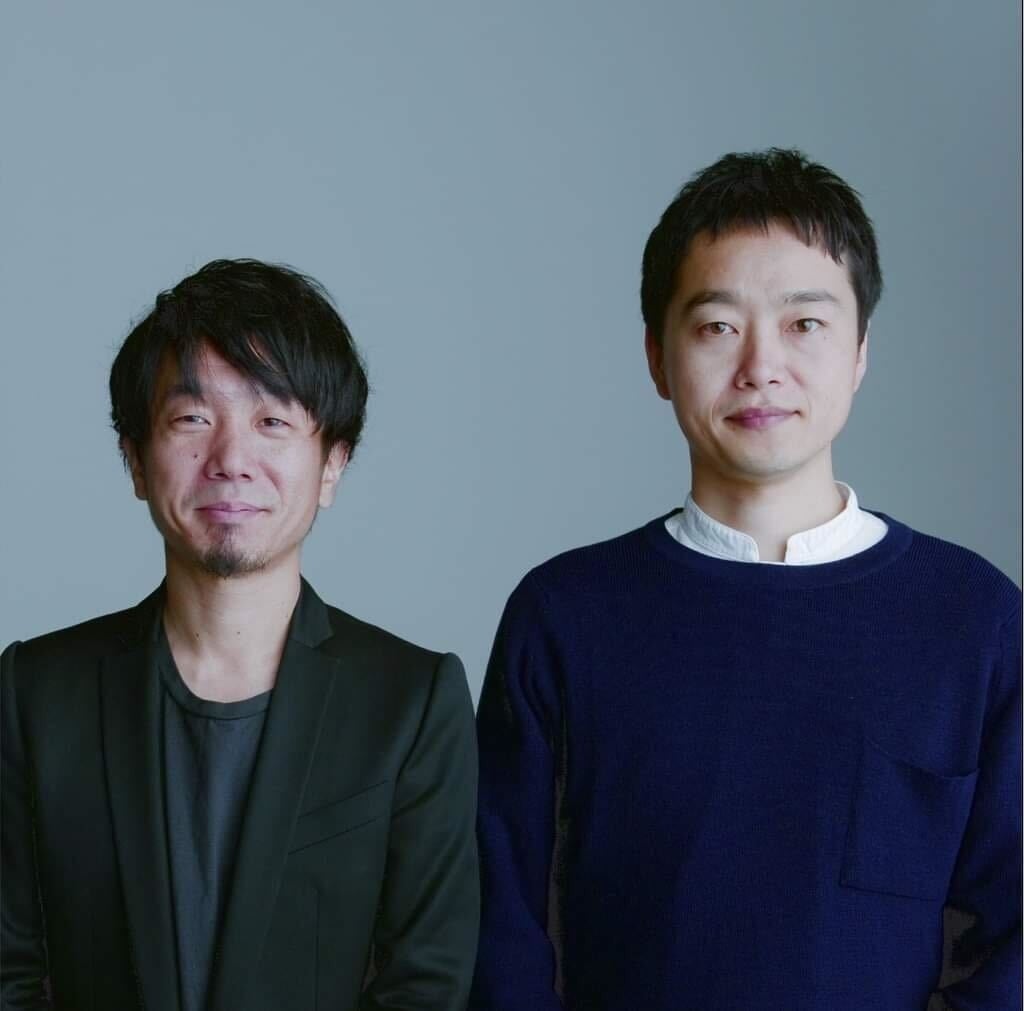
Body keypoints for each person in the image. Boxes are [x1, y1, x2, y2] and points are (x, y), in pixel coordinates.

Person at [471, 149, 1021, 1009]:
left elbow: (1012, 941)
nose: (762, 366)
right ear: (657, 357)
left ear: (861, 352)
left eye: (805, 323)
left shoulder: (974, 617)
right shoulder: (565, 614)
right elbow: (504, 928)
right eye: (718, 326)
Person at [1, 259, 479, 1010]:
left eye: (272, 422)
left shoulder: (411, 703)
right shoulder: (36, 691)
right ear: (134, 459)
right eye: (192, 419)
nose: (231, 461)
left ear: (333, 464)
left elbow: (428, 981)